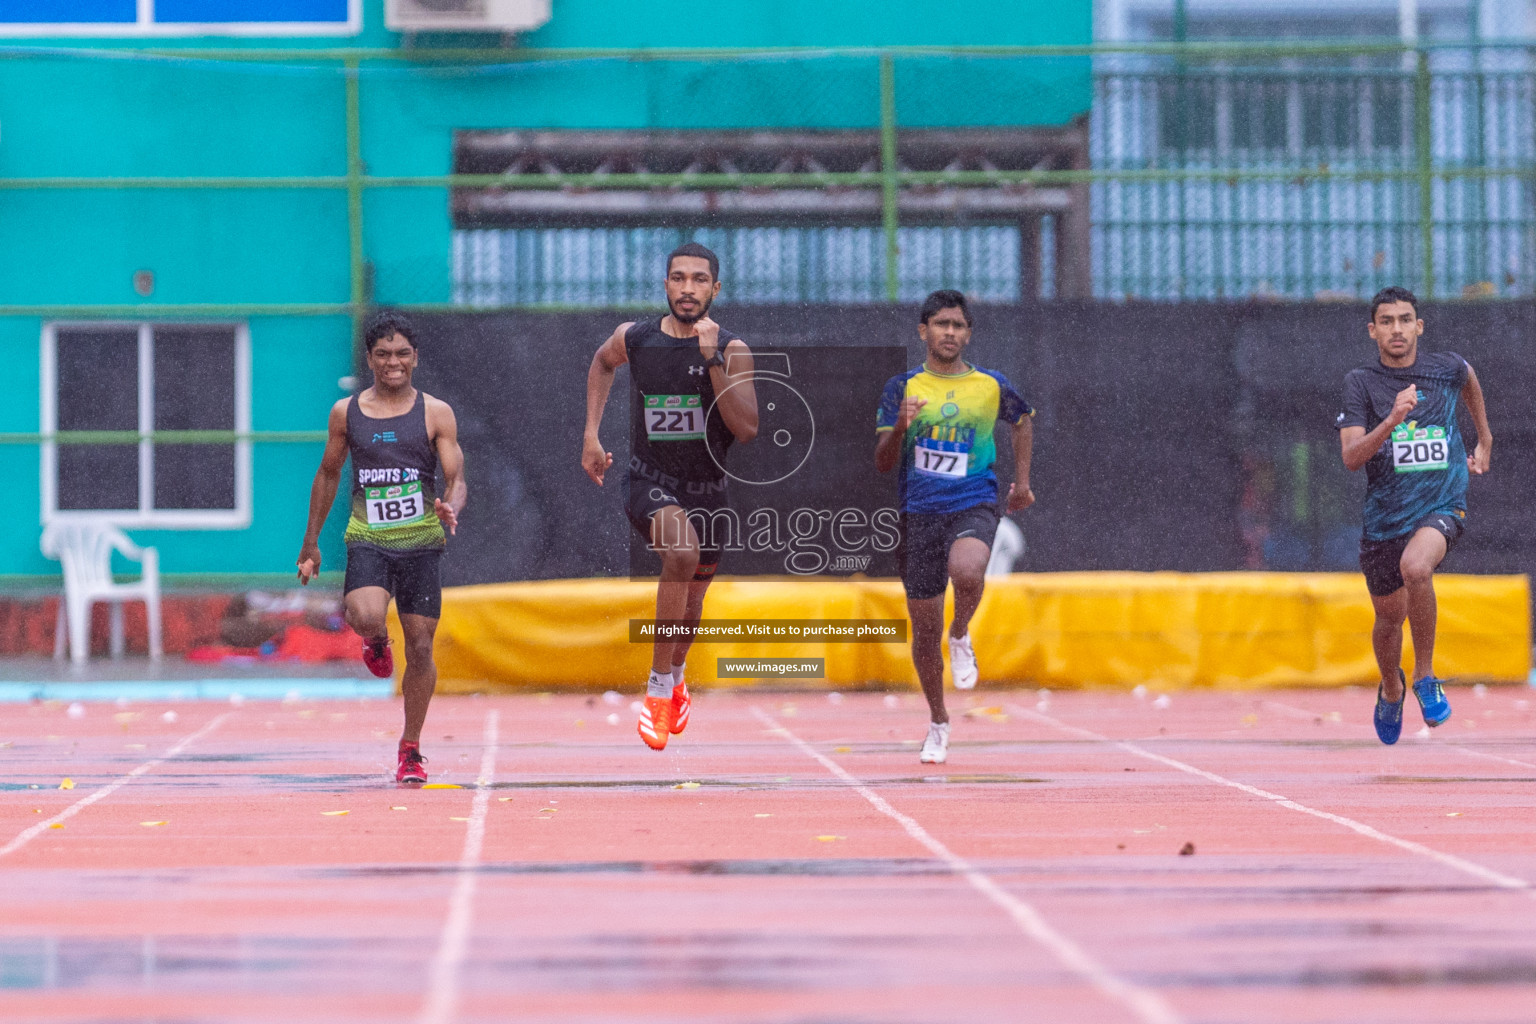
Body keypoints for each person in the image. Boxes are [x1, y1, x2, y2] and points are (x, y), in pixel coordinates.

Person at [582, 243, 758, 751]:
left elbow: (745, 429)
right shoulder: (635, 338)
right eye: (678, 279)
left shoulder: (733, 349)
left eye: (699, 280)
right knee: (680, 553)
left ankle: (676, 675)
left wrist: (713, 362)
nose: (687, 289)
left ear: (715, 289)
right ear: (665, 285)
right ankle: (657, 690)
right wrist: (591, 435)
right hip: (648, 480)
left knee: (693, 603)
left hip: (708, 492)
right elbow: (601, 362)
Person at [296, 312, 467, 784]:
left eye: (403, 354)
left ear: (415, 358)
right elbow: (329, 473)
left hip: (420, 543)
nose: (394, 363)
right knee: (365, 613)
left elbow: (456, 475)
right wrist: (311, 542)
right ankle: (375, 641)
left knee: (421, 645)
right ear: (370, 359)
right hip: (368, 537)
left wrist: (451, 504)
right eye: (384, 354)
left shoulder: (436, 412)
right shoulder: (345, 413)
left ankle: (410, 747)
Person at [875, 290, 1035, 764]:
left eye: (959, 326)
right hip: (919, 513)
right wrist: (900, 428)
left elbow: (1022, 421)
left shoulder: (990, 385)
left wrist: (1021, 483)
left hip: (974, 501)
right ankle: (938, 721)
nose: (950, 333)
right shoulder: (900, 388)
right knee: (924, 634)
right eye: (941, 324)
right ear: (923, 331)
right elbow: (883, 463)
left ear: (969, 333)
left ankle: (961, 631)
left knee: (968, 572)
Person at [1336, 286, 1491, 745]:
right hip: (1385, 520)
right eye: (1387, 321)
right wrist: (1392, 420)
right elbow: (1351, 458)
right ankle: (1391, 686)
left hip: (1442, 503)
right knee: (1388, 620)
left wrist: (1483, 438)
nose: (1397, 329)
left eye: (1405, 320)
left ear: (1418, 326)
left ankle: (1425, 677)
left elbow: (1468, 378)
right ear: (1373, 331)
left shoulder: (1445, 368)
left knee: (1417, 567)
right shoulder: (1361, 383)